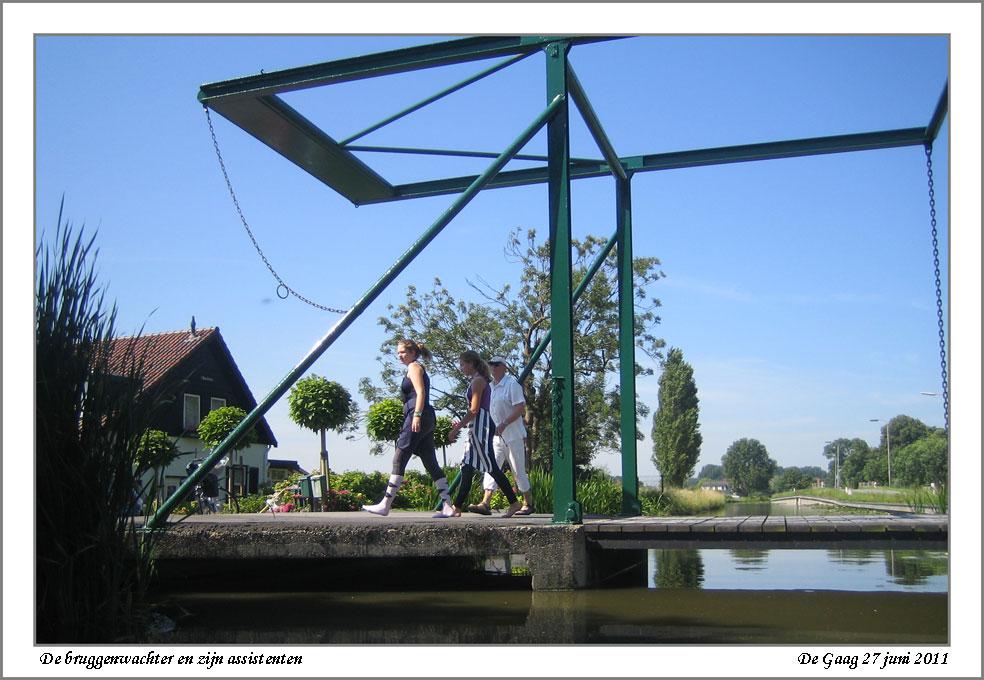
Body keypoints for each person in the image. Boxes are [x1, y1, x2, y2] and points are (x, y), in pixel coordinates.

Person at [363, 339, 456, 518]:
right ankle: (447, 505)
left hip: (418, 414)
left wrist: (416, 416)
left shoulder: (414, 367)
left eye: (403, 352)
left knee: (400, 456)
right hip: (426, 417)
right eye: (398, 353)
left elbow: (421, 392)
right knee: (430, 462)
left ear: (413, 353)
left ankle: (385, 504)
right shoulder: (415, 367)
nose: (399, 355)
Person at [447, 350, 522, 518]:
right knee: (466, 467)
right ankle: (457, 507)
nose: (461, 368)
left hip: (481, 428)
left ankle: (514, 502)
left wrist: (457, 427)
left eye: (462, 364)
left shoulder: (478, 381)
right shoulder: (478, 380)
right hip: (477, 427)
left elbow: (474, 409)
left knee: (491, 467)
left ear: (471, 364)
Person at [466, 356, 533, 516]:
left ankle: (528, 503)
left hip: (513, 435)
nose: (493, 367)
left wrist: (504, 423)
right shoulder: (489, 387)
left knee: (518, 470)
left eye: (497, 365)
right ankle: (485, 503)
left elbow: (519, 409)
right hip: (495, 436)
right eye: (491, 365)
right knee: (491, 467)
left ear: (504, 367)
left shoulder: (512, 385)